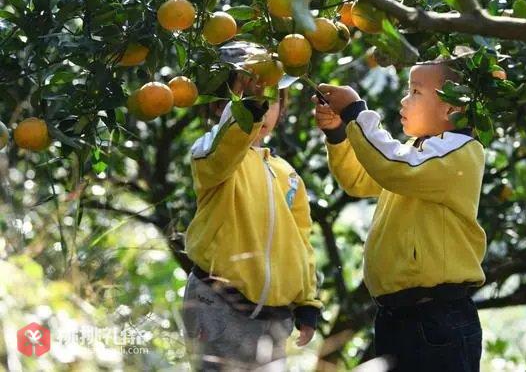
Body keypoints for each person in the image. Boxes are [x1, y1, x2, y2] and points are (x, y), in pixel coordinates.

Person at [313, 57, 486, 371]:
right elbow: (360, 179)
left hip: (436, 318)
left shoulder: (459, 152)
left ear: (451, 107)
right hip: (400, 317)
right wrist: (339, 133)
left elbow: (391, 167)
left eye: (416, 92)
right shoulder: (418, 153)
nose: (405, 100)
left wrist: (355, 111)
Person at [182, 66, 322, 371]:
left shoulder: (289, 175)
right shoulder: (210, 153)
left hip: (274, 318)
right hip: (218, 304)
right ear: (219, 106)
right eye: (246, 99)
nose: (259, 110)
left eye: (269, 100)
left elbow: (302, 241)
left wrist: (308, 302)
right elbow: (222, 152)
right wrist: (244, 117)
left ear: (282, 108)